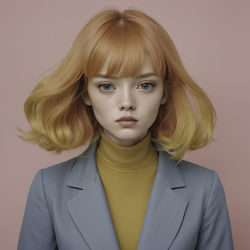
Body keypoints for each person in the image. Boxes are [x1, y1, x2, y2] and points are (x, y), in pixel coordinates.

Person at [17, 8, 234, 250]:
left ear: (165, 92)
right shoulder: (48, 188)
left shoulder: (205, 188)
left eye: (145, 85)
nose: (127, 102)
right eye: (107, 86)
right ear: (85, 93)